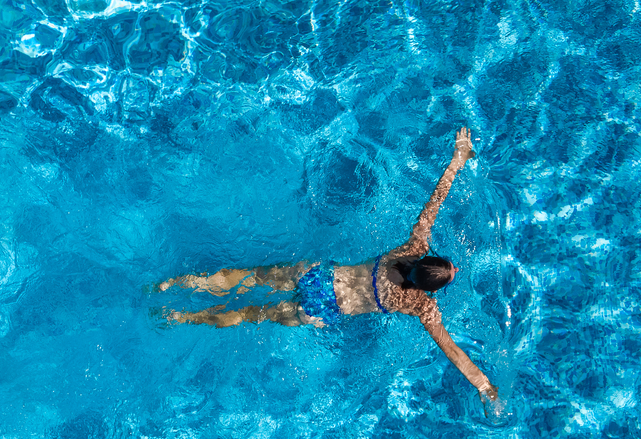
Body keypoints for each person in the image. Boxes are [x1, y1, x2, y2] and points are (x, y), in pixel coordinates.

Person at [159, 128, 499, 404]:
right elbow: (453, 351)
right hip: (324, 308)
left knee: (246, 278)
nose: (455, 272)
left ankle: (177, 284)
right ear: (432, 289)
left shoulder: (410, 250)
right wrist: (484, 386)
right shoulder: (422, 305)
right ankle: (184, 317)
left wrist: (457, 159)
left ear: (426, 260)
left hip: (319, 276)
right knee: (253, 313)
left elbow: (434, 202)